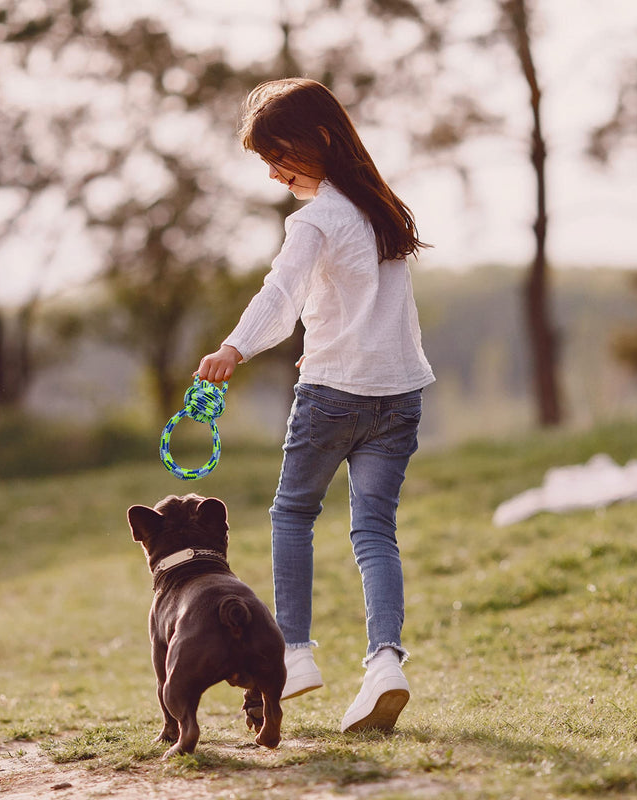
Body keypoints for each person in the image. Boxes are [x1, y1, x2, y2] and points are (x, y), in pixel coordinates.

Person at [196, 78, 434, 733]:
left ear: (322, 139)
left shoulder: (317, 219)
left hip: (334, 397)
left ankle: (295, 653)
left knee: (292, 515)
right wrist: (324, 351)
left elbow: (281, 295)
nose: (274, 173)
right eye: (266, 162)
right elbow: (371, 310)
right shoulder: (385, 211)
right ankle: (385, 662)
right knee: (374, 532)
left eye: (280, 156)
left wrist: (231, 350)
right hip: (399, 394)